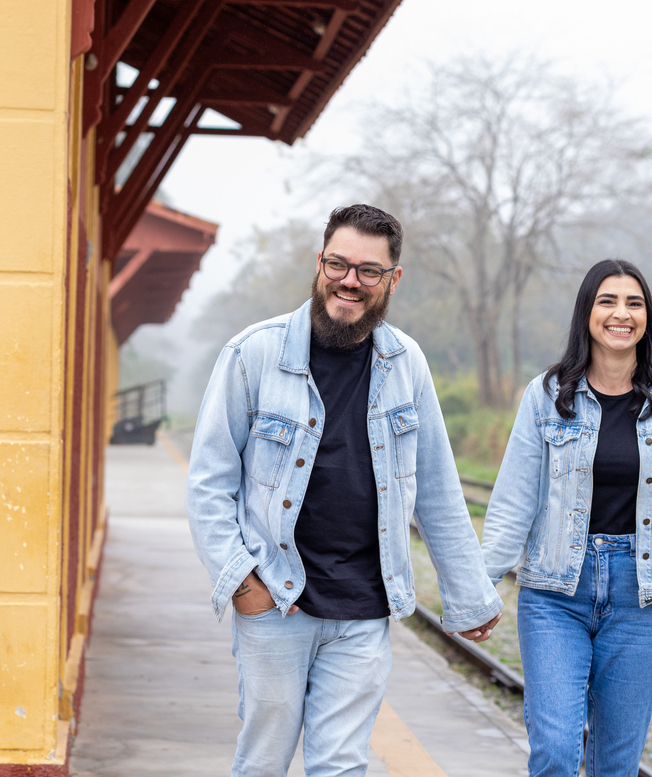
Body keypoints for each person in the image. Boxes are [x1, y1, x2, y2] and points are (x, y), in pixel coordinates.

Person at [186, 204, 502, 777]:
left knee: (341, 765)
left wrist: (469, 594)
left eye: (368, 270)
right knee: (263, 762)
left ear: (392, 279)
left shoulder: (406, 364)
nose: (349, 280)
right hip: (276, 598)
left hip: (364, 608)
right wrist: (242, 584)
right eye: (338, 264)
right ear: (320, 263)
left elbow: (436, 487)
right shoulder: (254, 354)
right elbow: (209, 483)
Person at [481, 259, 652, 777]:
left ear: (647, 318)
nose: (622, 314)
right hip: (555, 592)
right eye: (608, 301)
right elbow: (514, 502)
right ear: (587, 313)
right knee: (555, 751)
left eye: (634, 303)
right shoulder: (547, 395)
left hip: (642, 599)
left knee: (616, 765)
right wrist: (478, 591)